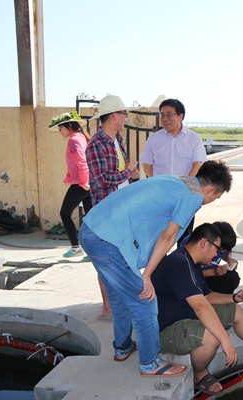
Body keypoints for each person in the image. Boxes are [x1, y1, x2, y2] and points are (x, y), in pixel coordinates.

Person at [78, 160, 233, 378]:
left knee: (120, 298)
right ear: (210, 190)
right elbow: (167, 237)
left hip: (91, 230)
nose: (208, 202)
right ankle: (150, 363)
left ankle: (123, 347)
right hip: (108, 241)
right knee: (145, 302)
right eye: (214, 198)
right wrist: (147, 276)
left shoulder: (179, 181)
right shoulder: (194, 196)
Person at [152, 223, 243, 396]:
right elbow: (200, 307)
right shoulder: (179, 264)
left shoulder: (190, 261)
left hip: (185, 315)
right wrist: (225, 340)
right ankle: (199, 374)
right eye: (217, 249)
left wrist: (234, 298)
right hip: (166, 330)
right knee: (212, 337)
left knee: (234, 310)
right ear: (204, 243)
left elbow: (207, 297)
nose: (217, 254)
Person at [86, 95, 140, 317]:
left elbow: (121, 173)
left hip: (123, 208)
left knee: (123, 257)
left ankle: (119, 303)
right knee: (106, 259)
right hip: (107, 212)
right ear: (114, 116)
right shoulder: (95, 144)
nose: (126, 118)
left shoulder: (118, 140)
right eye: (124, 114)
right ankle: (108, 306)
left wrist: (132, 174)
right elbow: (101, 180)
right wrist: (128, 172)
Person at [141, 98, 208, 245]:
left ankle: (182, 259)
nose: (165, 118)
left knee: (184, 236)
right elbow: (146, 165)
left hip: (185, 193)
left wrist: (185, 185)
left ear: (180, 116)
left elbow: (197, 164)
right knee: (157, 234)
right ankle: (158, 260)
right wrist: (158, 183)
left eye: (169, 114)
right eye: (162, 115)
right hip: (160, 194)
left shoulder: (193, 138)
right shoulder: (154, 139)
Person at [48, 111, 92, 258]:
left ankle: (75, 247)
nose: (60, 131)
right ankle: (92, 251)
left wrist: (84, 182)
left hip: (81, 184)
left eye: (61, 128)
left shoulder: (74, 140)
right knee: (90, 218)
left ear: (69, 126)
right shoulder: (82, 137)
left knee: (65, 214)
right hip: (87, 183)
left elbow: (82, 163)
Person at [179, 221, 241, 294]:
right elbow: (187, 274)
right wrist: (213, 272)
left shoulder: (222, 244)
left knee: (232, 277)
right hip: (193, 279)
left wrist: (228, 259)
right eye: (218, 250)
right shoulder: (192, 242)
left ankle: (218, 299)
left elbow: (227, 252)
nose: (216, 254)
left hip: (211, 275)